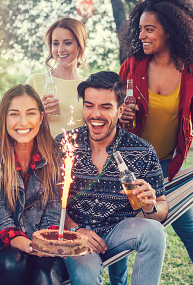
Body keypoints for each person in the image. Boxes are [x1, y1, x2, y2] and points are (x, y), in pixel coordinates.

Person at [118, 0, 193, 285]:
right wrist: (121, 115)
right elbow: (115, 115)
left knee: (189, 229)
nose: (141, 35)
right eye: (140, 29)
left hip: (169, 167)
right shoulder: (131, 66)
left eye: (149, 29)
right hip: (128, 168)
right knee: (118, 228)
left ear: (170, 30)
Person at [58, 71, 169, 285]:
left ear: (120, 111)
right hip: (77, 236)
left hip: (119, 231)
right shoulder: (64, 145)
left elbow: (162, 207)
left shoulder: (142, 151)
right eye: (89, 105)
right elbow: (48, 202)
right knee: (85, 275)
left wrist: (150, 207)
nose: (95, 114)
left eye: (105, 107)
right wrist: (74, 229)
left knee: (155, 233)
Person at [0, 84, 67, 285]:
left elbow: (53, 209)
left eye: (31, 113)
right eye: (14, 114)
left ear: (41, 118)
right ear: (4, 119)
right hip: (0, 246)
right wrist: (30, 247)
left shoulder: (54, 156)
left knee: (46, 274)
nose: (23, 122)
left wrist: (44, 245)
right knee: (16, 264)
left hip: (43, 242)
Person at [26, 17, 88, 137]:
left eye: (67, 43)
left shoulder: (88, 85)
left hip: (76, 153)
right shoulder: (35, 81)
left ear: (80, 46)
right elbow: (18, 121)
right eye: (55, 43)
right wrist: (38, 113)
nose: (60, 49)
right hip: (40, 153)